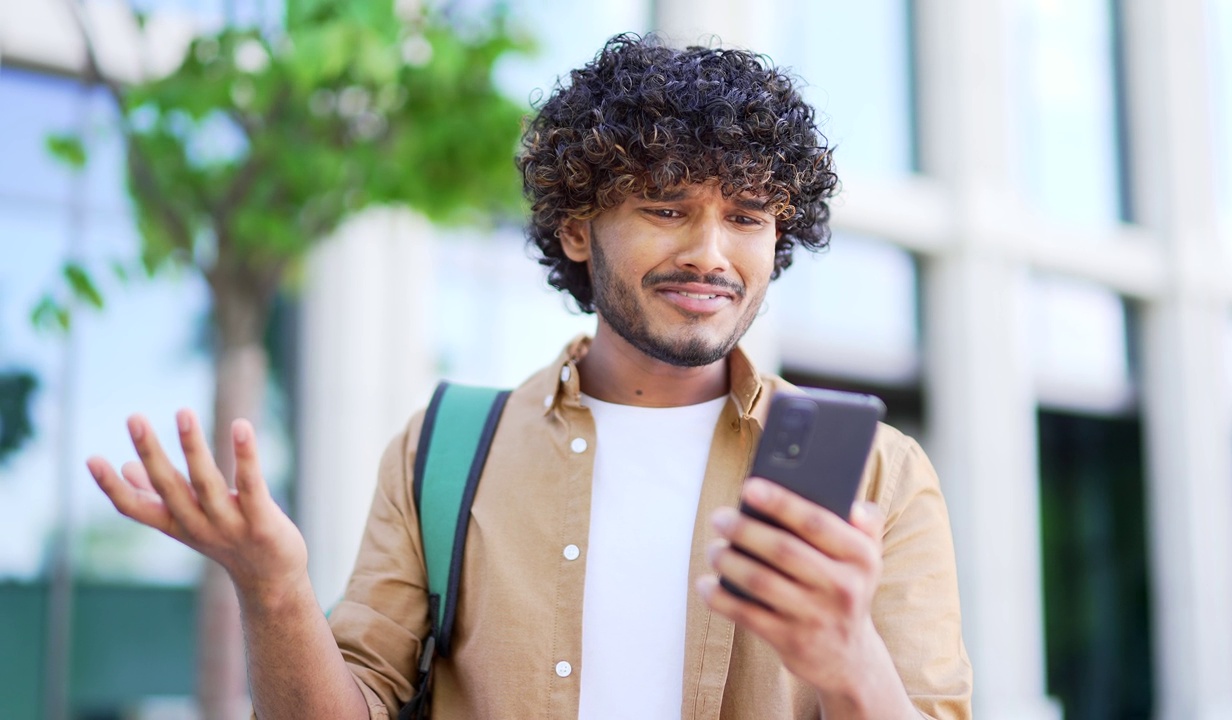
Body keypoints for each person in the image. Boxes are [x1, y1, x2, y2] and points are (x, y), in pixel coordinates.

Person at [88, 33, 972, 719]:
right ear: (580, 231)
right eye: (667, 208)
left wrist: (848, 655)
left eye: (746, 217)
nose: (710, 253)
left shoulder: (876, 478)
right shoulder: (446, 451)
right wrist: (273, 588)